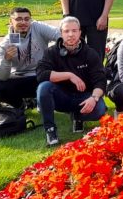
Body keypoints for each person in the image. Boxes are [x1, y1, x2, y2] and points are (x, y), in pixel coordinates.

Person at [35, 16, 108, 146]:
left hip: (84, 97)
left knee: (100, 109)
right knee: (44, 87)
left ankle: (78, 117)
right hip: (62, 97)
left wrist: (94, 98)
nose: (71, 34)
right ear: (61, 33)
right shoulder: (51, 52)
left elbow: (100, 80)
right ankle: (50, 130)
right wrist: (69, 75)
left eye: (74, 31)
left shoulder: (90, 53)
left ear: (80, 32)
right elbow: (41, 74)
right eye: (67, 31)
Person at [0, 7, 61, 111]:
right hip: (21, 79)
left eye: (27, 19)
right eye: (18, 19)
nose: (23, 22)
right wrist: (6, 59)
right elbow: (1, 77)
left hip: (42, 74)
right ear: (10, 21)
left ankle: (46, 101)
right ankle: (20, 106)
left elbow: (59, 35)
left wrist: (55, 51)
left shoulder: (37, 27)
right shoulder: (4, 45)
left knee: (66, 71)